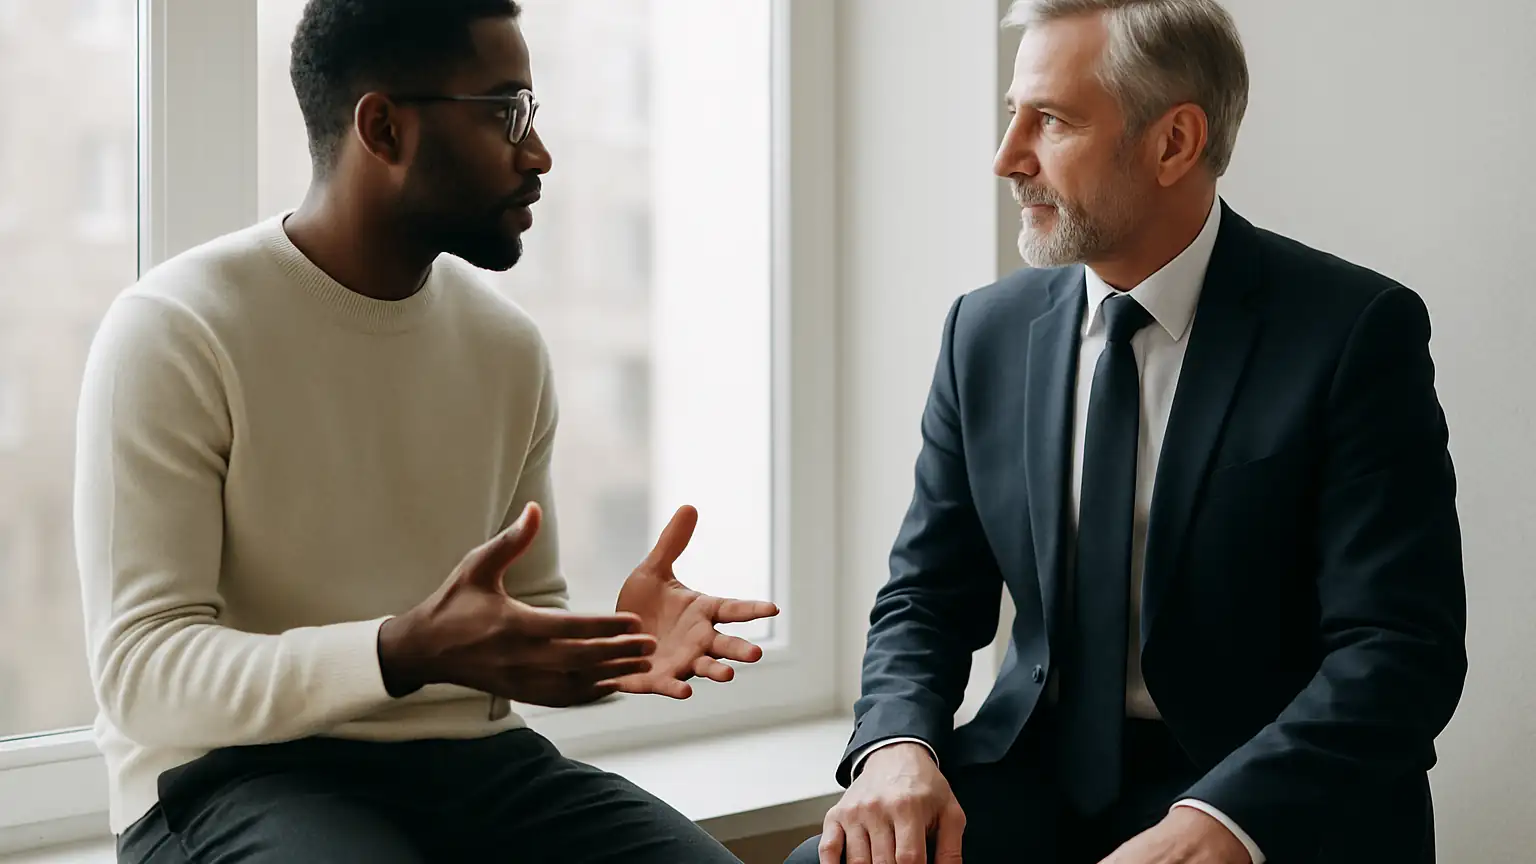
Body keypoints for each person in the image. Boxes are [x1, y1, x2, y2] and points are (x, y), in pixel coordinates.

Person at [76, 1, 776, 861]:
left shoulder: (505, 346)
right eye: (506, 111)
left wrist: (613, 647)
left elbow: (513, 629)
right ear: (384, 127)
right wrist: (397, 651)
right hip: (230, 780)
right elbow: (144, 674)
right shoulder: (178, 329)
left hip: (478, 769)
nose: (538, 153)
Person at [790, 1, 1467, 862]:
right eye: (1013, 115)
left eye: (1053, 122)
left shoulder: (1354, 332)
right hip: (1029, 776)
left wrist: (1213, 828)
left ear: (1174, 143)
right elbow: (924, 597)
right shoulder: (982, 333)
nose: (1008, 159)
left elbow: (1399, 651)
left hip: (1263, 797)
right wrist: (896, 750)